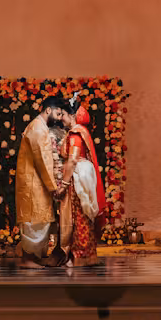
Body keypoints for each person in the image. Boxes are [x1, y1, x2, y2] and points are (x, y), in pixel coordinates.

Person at [16, 95, 74, 268]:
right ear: (48, 110)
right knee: (34, 221)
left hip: (36, 181)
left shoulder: (38, 126)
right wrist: (54, 186)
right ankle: (27, 259)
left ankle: (32, 257)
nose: (58, 118)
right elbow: (43, 159)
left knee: (40, 219)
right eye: (57, 113)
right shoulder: (38, 129)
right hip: (34, 182)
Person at [58, 103, 105, 268]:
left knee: (78, 216)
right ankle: (81, 254)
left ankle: (80, 254)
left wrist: (63, 184)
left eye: (62, 114)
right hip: (77, 178)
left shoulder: (76, 135)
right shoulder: (77, 133)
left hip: (76, 180)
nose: (60, 118)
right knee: (80, 216)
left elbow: (72, 160)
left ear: (71, 115)